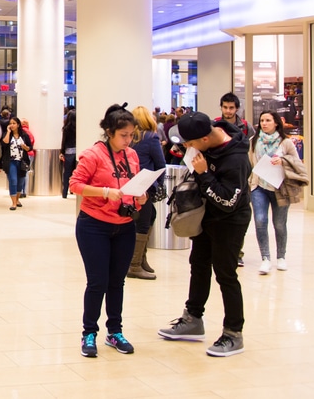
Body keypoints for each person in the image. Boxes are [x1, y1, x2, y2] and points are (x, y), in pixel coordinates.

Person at [158, 111, 252, 357]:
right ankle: (193, 319)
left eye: (189, 143)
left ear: (205, 139)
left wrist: (204, 173)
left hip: (229, 221)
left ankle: (233, 333)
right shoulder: (207, 141)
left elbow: (227, 201)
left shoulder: (236, 160)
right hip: (206, 216)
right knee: (198, 265)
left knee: (226, 274)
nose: (187, 147)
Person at [69, 104, 146, 358]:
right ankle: (88, 332)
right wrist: (104, 192)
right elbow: (75, 184)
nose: (128, 140)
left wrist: (141, 196)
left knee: (117, 281)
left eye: (131, 135)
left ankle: (115, 331)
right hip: (94, 225)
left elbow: (132, 185)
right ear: (110, 132)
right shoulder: (93, 155)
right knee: (98, 281)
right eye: (123, 135)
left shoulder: (132, 156)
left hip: (124, 226)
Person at [248, 110, 302, 274]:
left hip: (280, 187)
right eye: (262, 120)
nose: (264, 123)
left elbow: (296, 162)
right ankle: (265, 258)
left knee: (279, 223)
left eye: (268, 120)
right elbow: (249, 162)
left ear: (276, 123)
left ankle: (281, 257)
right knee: (260, 220)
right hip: (259, 186)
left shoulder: (286, 142)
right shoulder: (253, 141)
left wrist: (283, 160)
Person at [128, 105, 166, 280]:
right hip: (145, 185)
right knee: (144, 222)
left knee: (149, 216)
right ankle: (134, 264)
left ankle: (141, 259)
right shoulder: (151, 138)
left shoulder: (129, 139)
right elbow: (160, 164)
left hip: (130, 185)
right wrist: (160, 183)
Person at [2, 117, 32, 211]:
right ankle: (14, 203)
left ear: (18, 125)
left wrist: (26, 148)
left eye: (14, 123)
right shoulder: (8, 135)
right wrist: (8, 132)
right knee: (13, 180)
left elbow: (30, 147)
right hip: (11, 161)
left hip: (22, 161)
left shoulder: (24, 135)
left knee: (20, 182)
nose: (12, 125)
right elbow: (5, 143)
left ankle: (17, 199)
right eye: (10, 123)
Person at [60, 110, 77, 199]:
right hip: (77, 152)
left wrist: (62, 152)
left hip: (68, 153)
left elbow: (64, 142)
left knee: (66, 173)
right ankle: (76, 191)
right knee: (77, 173)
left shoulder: (66, 129)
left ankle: (64, 193)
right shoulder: (79, 128)